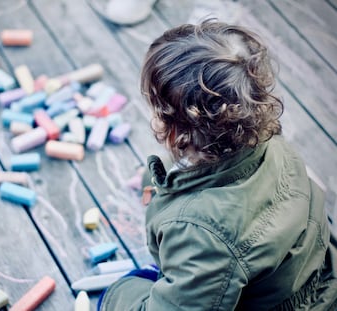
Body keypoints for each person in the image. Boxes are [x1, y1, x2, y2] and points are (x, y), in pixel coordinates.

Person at [97, 19, 337, 310]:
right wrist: (157, 179)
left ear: (174, 130)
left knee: (132, 282)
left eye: (155, 108)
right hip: (313, 278)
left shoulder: (201, 236)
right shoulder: (270, 144)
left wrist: (118, 294)